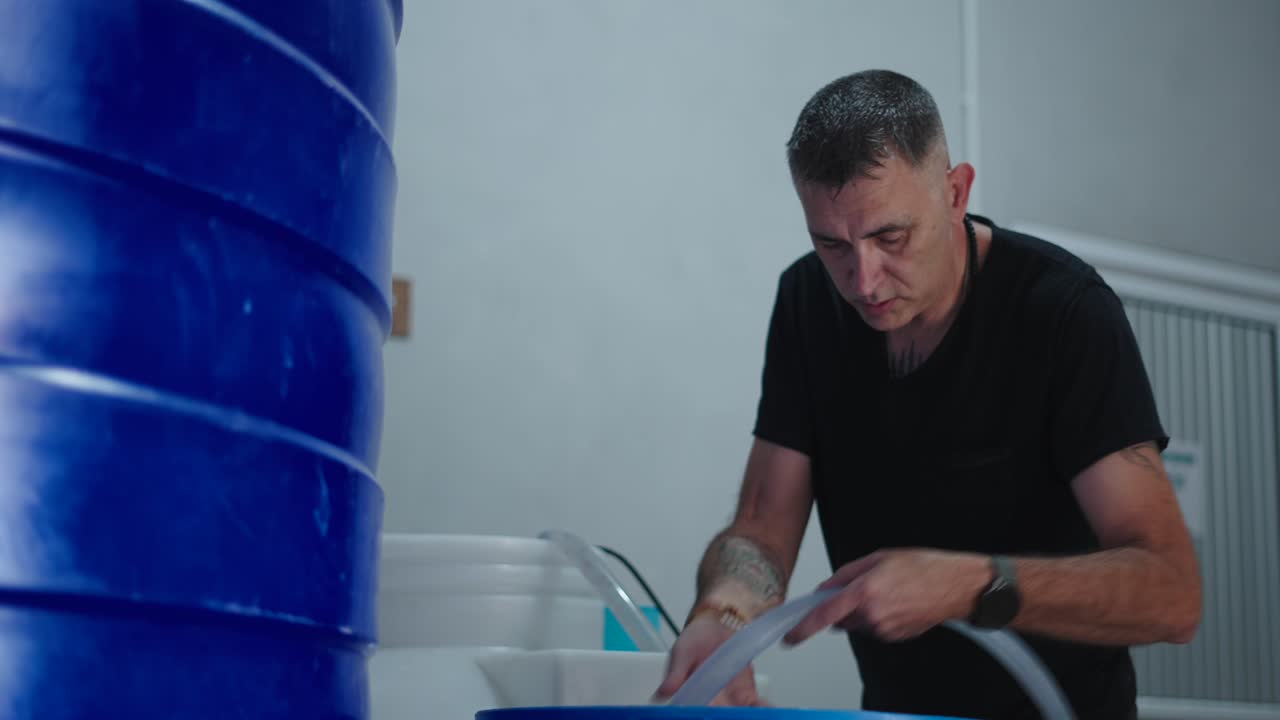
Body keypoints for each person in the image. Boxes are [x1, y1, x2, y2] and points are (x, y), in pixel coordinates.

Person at [653, 69, 1202, 720]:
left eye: (891, 238)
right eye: (831, 244)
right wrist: (723, 617)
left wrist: (968, 585)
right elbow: (763, 527)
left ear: (955, 192)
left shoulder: (1061, 313)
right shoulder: (807, 302)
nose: (863, 281)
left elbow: (1171, 593)